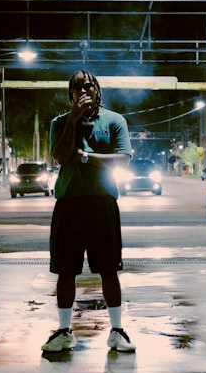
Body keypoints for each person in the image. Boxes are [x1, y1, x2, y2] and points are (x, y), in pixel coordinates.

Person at [41, 70, 135, 353]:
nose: (83, 91)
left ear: (98, 90)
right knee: (65, 270)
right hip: (69, 203)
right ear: (70, 93)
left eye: (88, 86)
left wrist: (83, 157)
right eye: (77, 88)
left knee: (108, 268)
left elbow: (121, 160)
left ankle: (117, 331)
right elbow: (59, 156)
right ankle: (64, 330)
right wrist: (72, 119)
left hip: (102, 203)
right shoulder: (60, 122)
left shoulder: (115, 121)